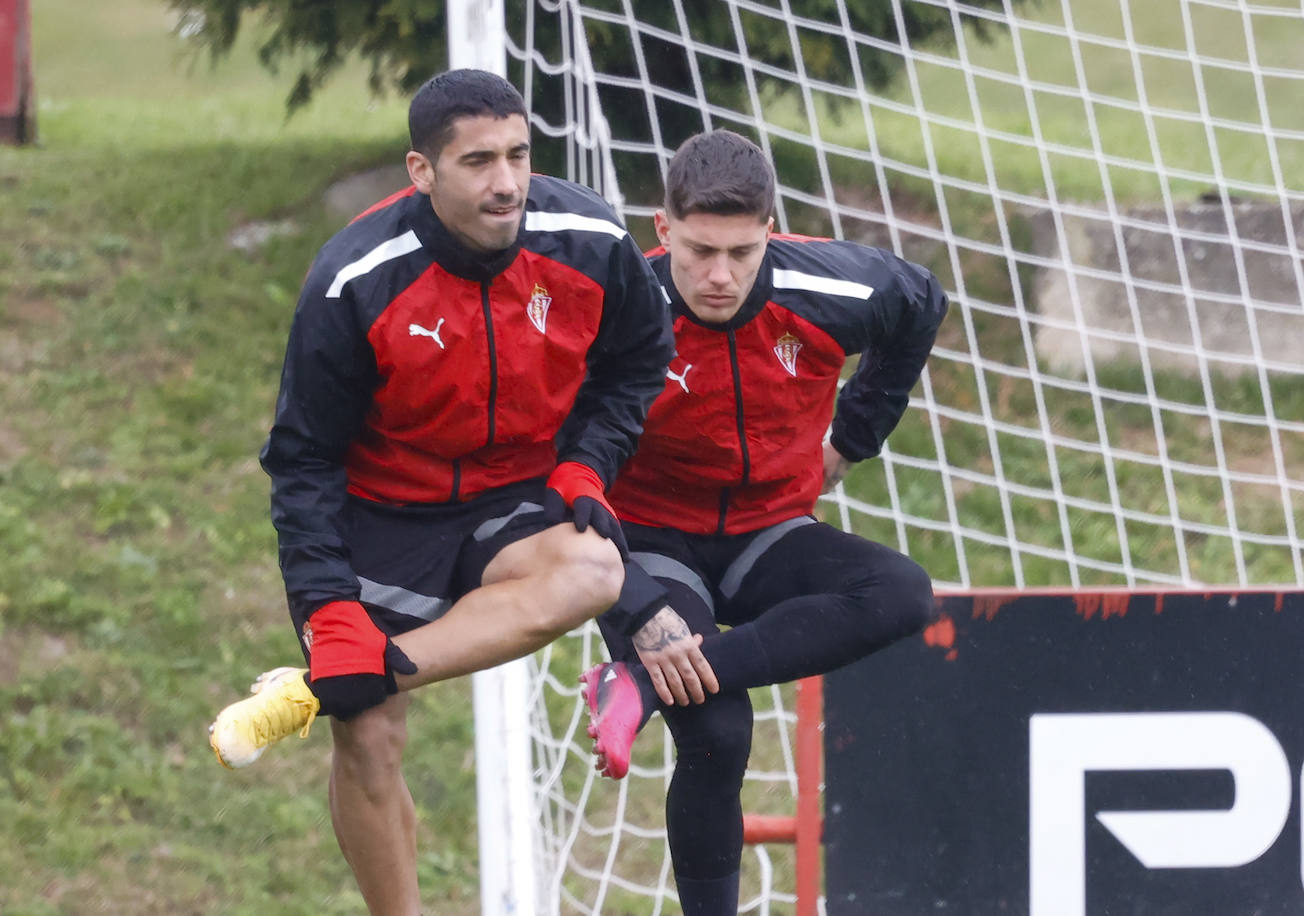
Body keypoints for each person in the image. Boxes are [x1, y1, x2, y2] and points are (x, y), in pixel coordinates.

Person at [206, 69, 673, 916]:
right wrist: (328, 607)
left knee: (595, 571)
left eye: (520, 155)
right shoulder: (355, 277)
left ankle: (330, 681)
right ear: (421, 172)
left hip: (515, 501)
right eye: (479, 160)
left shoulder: (591, 240)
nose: (507, 182)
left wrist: (587, 463)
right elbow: (303, 458)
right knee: (371, 734)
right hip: (382, 513)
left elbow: (641, 360)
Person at [578, 129, 949, 916]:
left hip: (770, 534)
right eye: (701, 250)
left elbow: (922, 302)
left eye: (743, 253)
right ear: (663, 227)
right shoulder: (613, 311)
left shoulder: (834, 289)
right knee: (718, 731)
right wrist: (630, 602)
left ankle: (636, 685)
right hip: (649, 545)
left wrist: (850, 440)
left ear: (771, 231)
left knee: (904, 593)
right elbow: (559, 478)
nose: (720, 276)